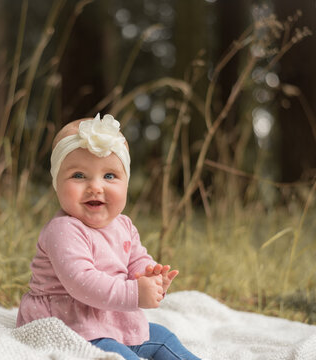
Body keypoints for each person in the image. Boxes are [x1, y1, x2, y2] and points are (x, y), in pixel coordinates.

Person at [17, 113, 200, 360]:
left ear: (126, 183)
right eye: (79, 175)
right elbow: (83, 282)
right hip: (69, 323)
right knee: (117, 355)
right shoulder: (63, 230)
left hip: (109, 319)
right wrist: (135, 294)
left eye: (110, 176)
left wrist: (149, 277)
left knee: (163, 338)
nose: (96, 186)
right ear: (56, 183)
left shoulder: (124, 225)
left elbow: (136, 259)